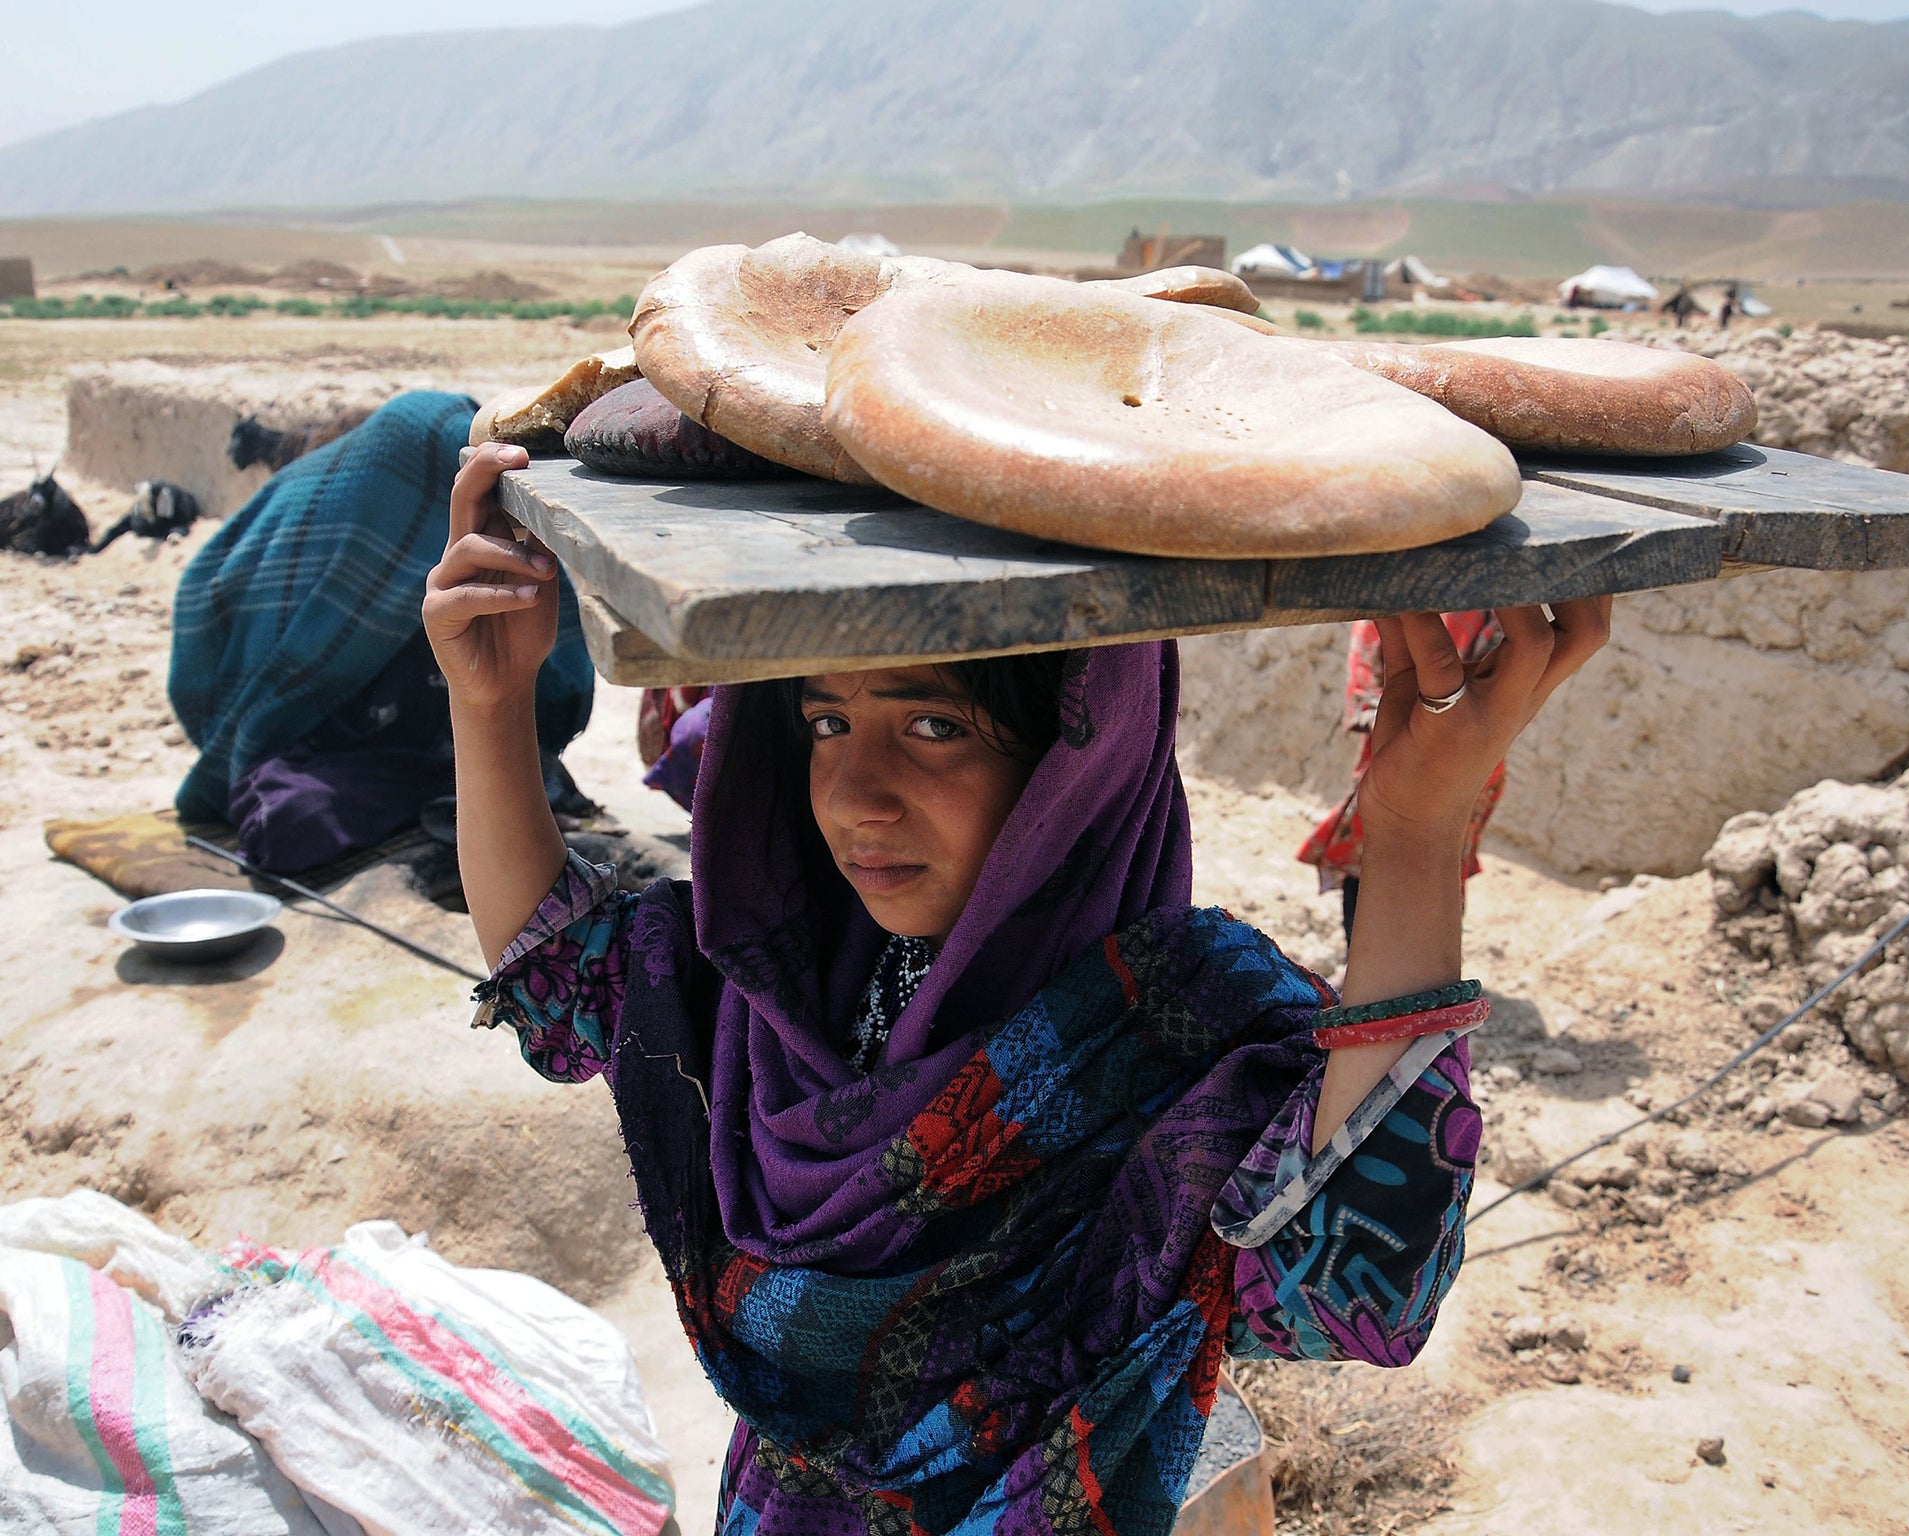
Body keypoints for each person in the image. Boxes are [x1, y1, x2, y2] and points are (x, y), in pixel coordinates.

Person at [429, 444, 1611, 1536]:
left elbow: (1360, 1288)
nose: (853, 795)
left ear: (1077, 766)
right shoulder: (780, 977)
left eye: (934, 724)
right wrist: (488, 705)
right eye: (827, 719)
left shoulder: (1172, 1034)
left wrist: (1411, 826)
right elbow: (566, 984)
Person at [169, 393, 594, 873]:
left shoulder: (475, 557)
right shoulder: (357, 533)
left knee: (528, 783)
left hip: (437, 739)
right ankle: (440, 802)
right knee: (294, 820)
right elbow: (216, 645)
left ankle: (445, 800)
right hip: (321, 740)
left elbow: (536, 683)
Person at [1300, 614, 1506, 938]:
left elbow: (1500, 679)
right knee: (1373, 853)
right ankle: (1361, 960)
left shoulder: (1492, 605)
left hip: (1465, 752)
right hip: (1400, 741)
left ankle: (1419, 969)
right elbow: (1366, 666)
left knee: (1438, 863)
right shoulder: (1391, 599)